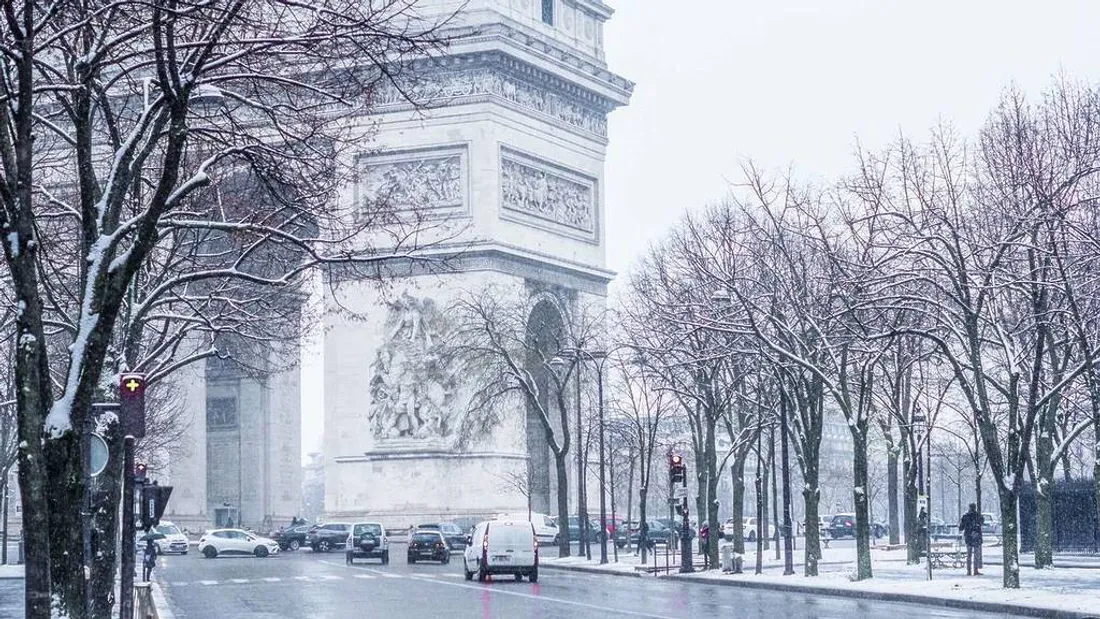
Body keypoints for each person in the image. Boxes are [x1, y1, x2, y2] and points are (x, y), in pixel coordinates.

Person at [959, 503, 984, 576]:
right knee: (976, 555)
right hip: (976, 537)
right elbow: (981, 524)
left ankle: (969, 571)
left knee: (969, 555)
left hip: (968, 537)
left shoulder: (965, 517)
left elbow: (961, 528)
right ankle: (975, 570)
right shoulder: (979, 516)